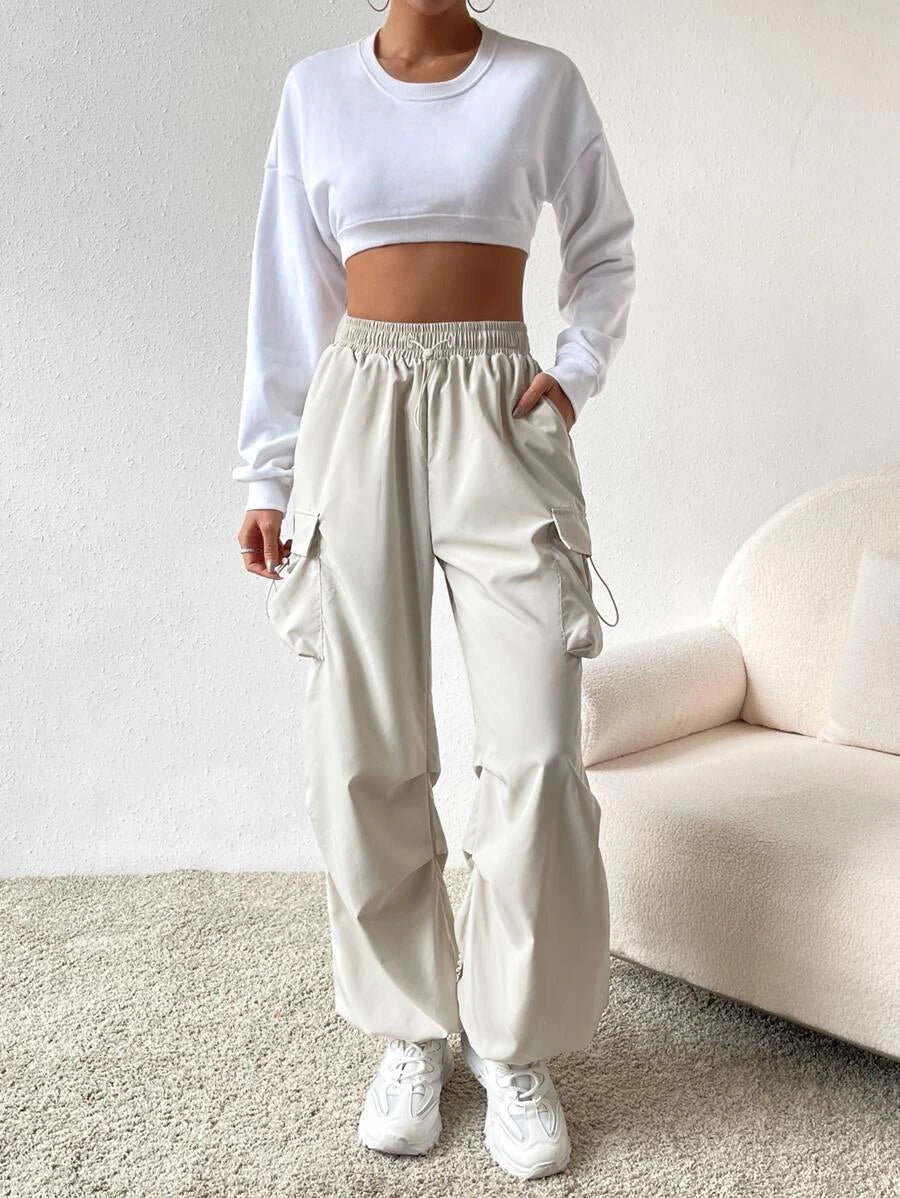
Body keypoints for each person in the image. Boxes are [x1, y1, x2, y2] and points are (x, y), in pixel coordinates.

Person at [233, 0, 635, 1180]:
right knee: (361, 743)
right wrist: (266, 471)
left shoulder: (540, 82)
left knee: (538, 748)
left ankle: (511, 1041)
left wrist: (573, 371)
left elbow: (606, 246)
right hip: (356, 410)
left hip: (498, 413)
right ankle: (411, 1028)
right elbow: (286, 287)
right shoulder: (316, 90)